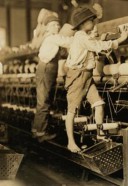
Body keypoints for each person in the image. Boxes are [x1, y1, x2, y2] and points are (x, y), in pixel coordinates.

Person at [65, 7, 128, 152]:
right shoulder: (81, 37)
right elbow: (98, 46)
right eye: (90, 21)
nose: (94, 23)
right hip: (78, 76)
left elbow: (96, 44)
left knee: (99, 104)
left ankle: (100, 134)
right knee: (72, 111)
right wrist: (121, 39)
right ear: (82, 23)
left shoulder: (84, 36)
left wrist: (104, 38)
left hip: (87, 76)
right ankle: (71, 142)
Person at [32, 13, 73, 142]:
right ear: (48, 28)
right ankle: (41, 133)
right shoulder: (52, 37)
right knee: (44, 101)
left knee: (43, 101)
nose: (57, 26)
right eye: (54, 25)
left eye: (58, 24)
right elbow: (67, 42)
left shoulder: (49, 37)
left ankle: (36, 130)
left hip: (46, 69)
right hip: (46, 69)